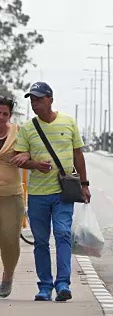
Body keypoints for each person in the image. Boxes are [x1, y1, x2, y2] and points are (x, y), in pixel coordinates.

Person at [11, 82, 90, 302]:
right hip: (37, 194)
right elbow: (20, 158)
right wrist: (34, 164)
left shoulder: (68, 122)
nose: (35, 103)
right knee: (41, 241)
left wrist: (85, 184)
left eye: (39, 99)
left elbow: (78, 155)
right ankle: (45, 286)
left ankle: (63, 284)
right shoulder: (27, 128)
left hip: (63, 192)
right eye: (32, 100)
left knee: (63, 235)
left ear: (50, 99)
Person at [0, 96, 24, 298]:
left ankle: (7, 276)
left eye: (5, 114)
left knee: (9, 239)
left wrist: (26, 156)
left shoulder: (18, 132)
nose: (1, 117)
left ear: (10, 115)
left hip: (11, 195)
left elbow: (30, 152)